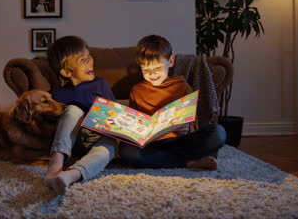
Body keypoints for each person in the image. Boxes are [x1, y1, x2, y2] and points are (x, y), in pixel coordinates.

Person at [118, 35, 226, 170]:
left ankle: (165, 160)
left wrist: (186, 128)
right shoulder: (136, 90)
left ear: (171, 61)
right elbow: (135, 122)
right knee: (126, 151)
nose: (152, 74)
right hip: (151, 145)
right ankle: (188, 163)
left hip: (179, 141)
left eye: (157, 68)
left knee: (218, 133)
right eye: (146, 70)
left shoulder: (182, 87)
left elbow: (193, 123)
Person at [44, 36, 117, 195]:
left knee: (110, 145)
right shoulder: (60, 94)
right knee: (73, 110)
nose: (90, 61)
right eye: (83, 60)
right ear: (67, 72)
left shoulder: (101, 84)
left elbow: (114, 111)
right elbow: (53, 122)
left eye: (90, 55)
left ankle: (69, 176)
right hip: (74, 140)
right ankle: (56, 164)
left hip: (98, 137)